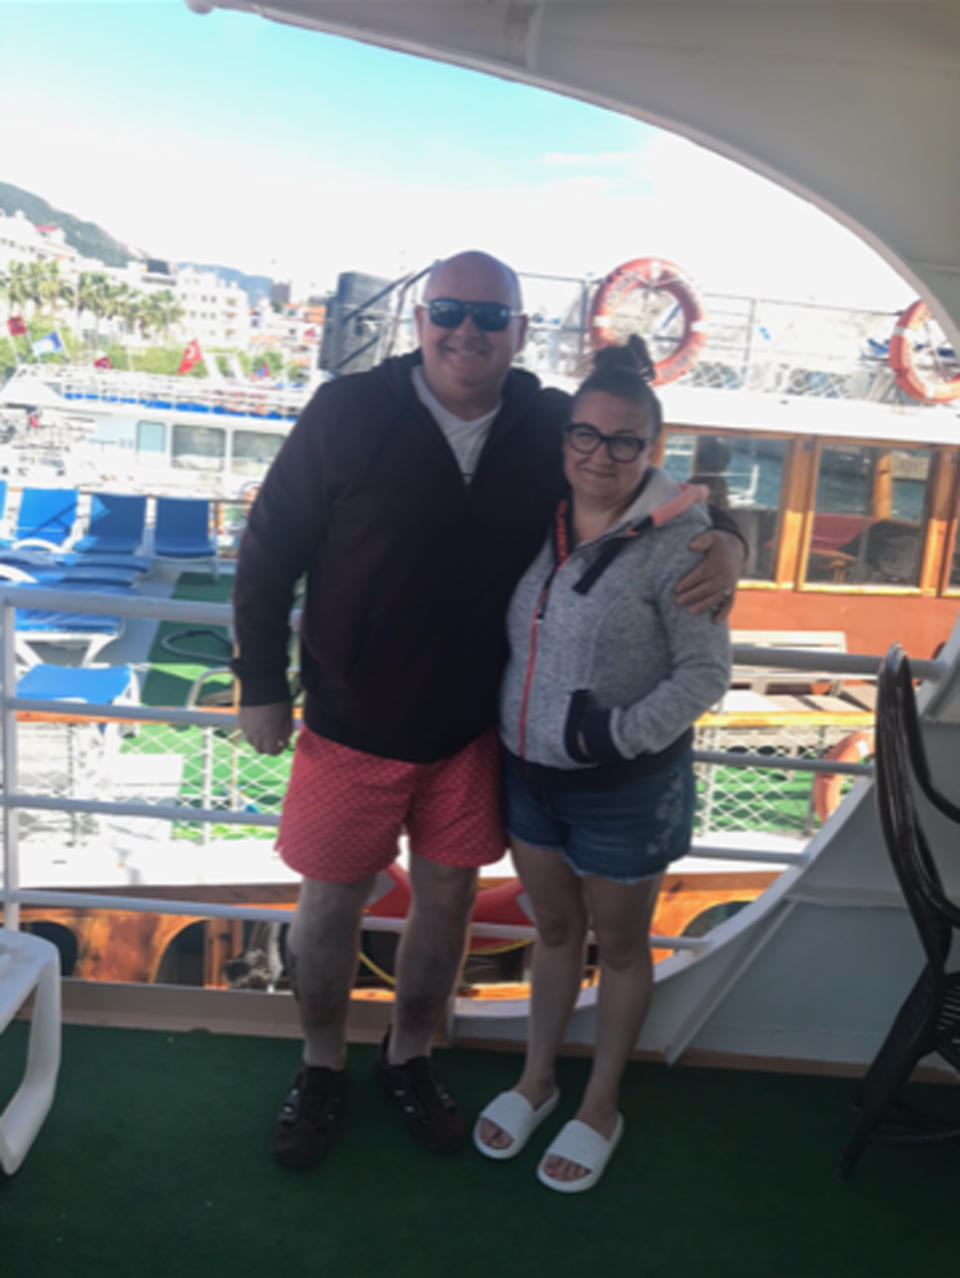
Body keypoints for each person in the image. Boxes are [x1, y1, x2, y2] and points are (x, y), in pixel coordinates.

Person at [232, 251, 743, 1171]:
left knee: (447, 900)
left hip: (476, 729)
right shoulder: (349, 411)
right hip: (350, 718)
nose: (468, 330)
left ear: (518, 331)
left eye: (490, 316)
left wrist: (730, 540)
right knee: (330, 904)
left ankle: (410, 1057)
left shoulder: (548, 420)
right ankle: (319, 1066)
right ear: (422, 320)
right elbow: (270, 545)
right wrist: (260, 680)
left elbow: (654, 477)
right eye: (450, 310)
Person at [474, 337, 731, 1192]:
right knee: (553, 932)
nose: (601, 455)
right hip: (528, 774)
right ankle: (538, 1081)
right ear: (565, 439)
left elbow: (705, 672)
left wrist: (615, 737)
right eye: (586, 435)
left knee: (619, 948)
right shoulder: (537, 519)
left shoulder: (684, 542)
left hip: (623, 786)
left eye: (625, 441)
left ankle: (602, 1104)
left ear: (652, 450)